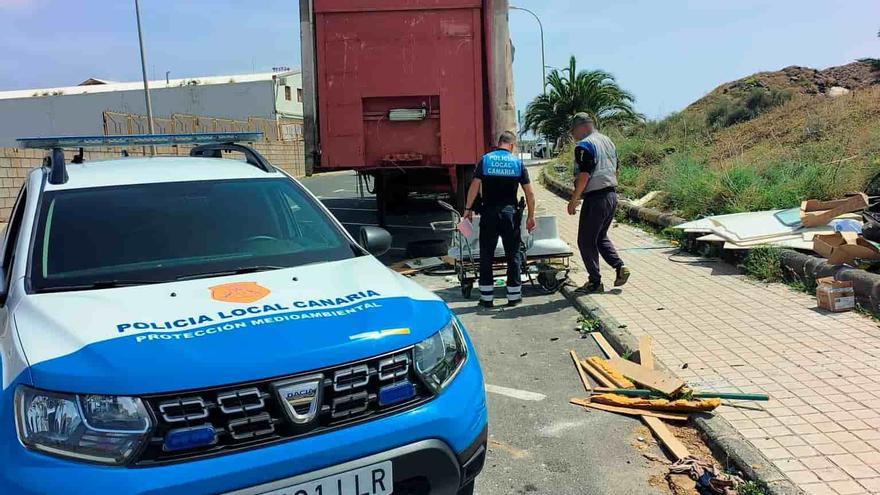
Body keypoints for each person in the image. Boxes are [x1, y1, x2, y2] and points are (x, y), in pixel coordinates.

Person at [463, 131, 536, 308]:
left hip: (488, 214)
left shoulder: (485, 160)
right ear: (511, 145)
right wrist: (531, 216)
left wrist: (467, 209)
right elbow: (529, 193)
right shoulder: (517, 163)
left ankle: (487, 298)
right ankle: (513, 296)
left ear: (499, 143)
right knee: (513, 255)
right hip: (509, 215)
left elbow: (474, 186)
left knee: (486, 254)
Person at [566, 112, 630, 293]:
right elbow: (617, 169)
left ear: (582, 126)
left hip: (596, 198)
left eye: (573, 131)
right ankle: (620, 267)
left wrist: (574, 199)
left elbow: (584, 174)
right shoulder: (607, 142)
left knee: (585, 241)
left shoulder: (584, 145)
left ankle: (595, 282)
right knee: (600, 236)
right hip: (611, 195)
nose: (573, 136)